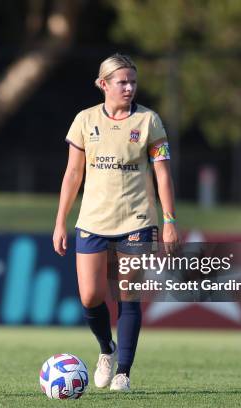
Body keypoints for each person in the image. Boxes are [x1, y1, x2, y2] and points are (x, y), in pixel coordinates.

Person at [53, 54, 179, 392]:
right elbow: (72, 175)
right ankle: (106, 349)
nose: (129, 88)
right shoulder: (84, 120)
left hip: (137, 220)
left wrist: (169, 220)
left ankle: (123, 371)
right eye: (122, 82)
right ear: (103, 84)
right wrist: (60, 222)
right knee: (91, 296)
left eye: (133, 82)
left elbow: (163, 175)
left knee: (128, 294)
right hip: (92, 221)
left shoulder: (149, 121)